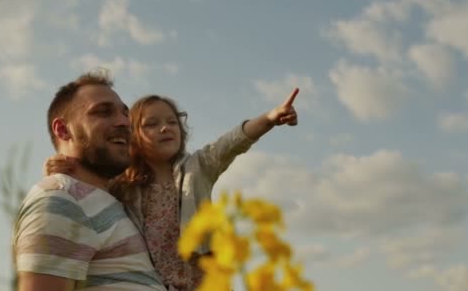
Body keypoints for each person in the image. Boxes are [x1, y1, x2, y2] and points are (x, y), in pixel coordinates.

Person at [45, 88, 300, 290]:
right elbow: (90, 181)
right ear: (132, 136)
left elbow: (233, 141)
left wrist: (269, 118)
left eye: (172, 122)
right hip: (155, 283)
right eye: (152, 124)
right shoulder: (123, 184)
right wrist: (63, 164)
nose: (165, 128)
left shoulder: (198, 167)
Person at [12, 71, 167, 291]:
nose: (124, 122)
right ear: (63, 130)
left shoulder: (114, 202)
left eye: (126, 115)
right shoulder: (61, 199)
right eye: (103, 112)